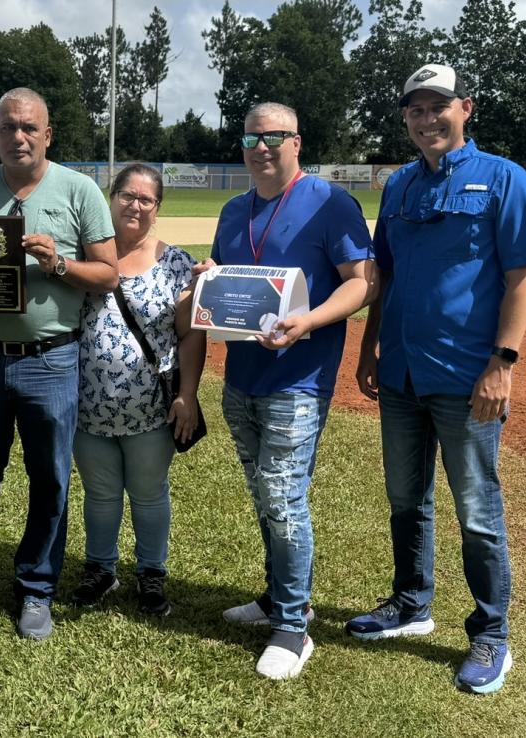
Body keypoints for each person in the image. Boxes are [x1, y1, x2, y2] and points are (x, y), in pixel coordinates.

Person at [345, 64, 526, 695]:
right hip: (402, 369)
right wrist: (371, 348)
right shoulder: (399, 186)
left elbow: (521, 276)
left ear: (466, 109)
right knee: (406, 499)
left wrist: (502, 363)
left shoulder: (505, 180)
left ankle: (491, 633)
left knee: (478, 511)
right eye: (414, 110)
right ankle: (411, 603)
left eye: (437, 107)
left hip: (467, 376)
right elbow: (386, 276)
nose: (426, 119)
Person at [204, 102, 378, 680]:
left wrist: (307, 321)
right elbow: (229, 285)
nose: (262, 146)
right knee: (265, 496)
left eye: (275, 137)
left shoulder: (329, 203)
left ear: (296, 143)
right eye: (252, 137)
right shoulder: (233, 210)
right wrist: (210, 279)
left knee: (282, 495)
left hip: (299, 382)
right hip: (242, 379)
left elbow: (362, 282)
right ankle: (278, 596)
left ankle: (293, 626)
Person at [0, 88, 118, 640]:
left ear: (47, 134)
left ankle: (37, 587)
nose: (17, 136)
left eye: (28, 127)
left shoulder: (79, 189)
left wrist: (60, 263)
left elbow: (108, 273)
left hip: (52, 359)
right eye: (6, 127)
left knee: (50, 480)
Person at [68, 163, 204, 617]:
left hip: (150, 408)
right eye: (128, 195)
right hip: (89, 405)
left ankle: (151, 574)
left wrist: (188, 394)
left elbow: (189, 335)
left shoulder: (177, 263)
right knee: (100, 493)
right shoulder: (85, 255)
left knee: (149, 492)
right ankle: (101, 568)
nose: (135, 205)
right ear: (112, 197)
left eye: (146, 200)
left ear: (157, 208)